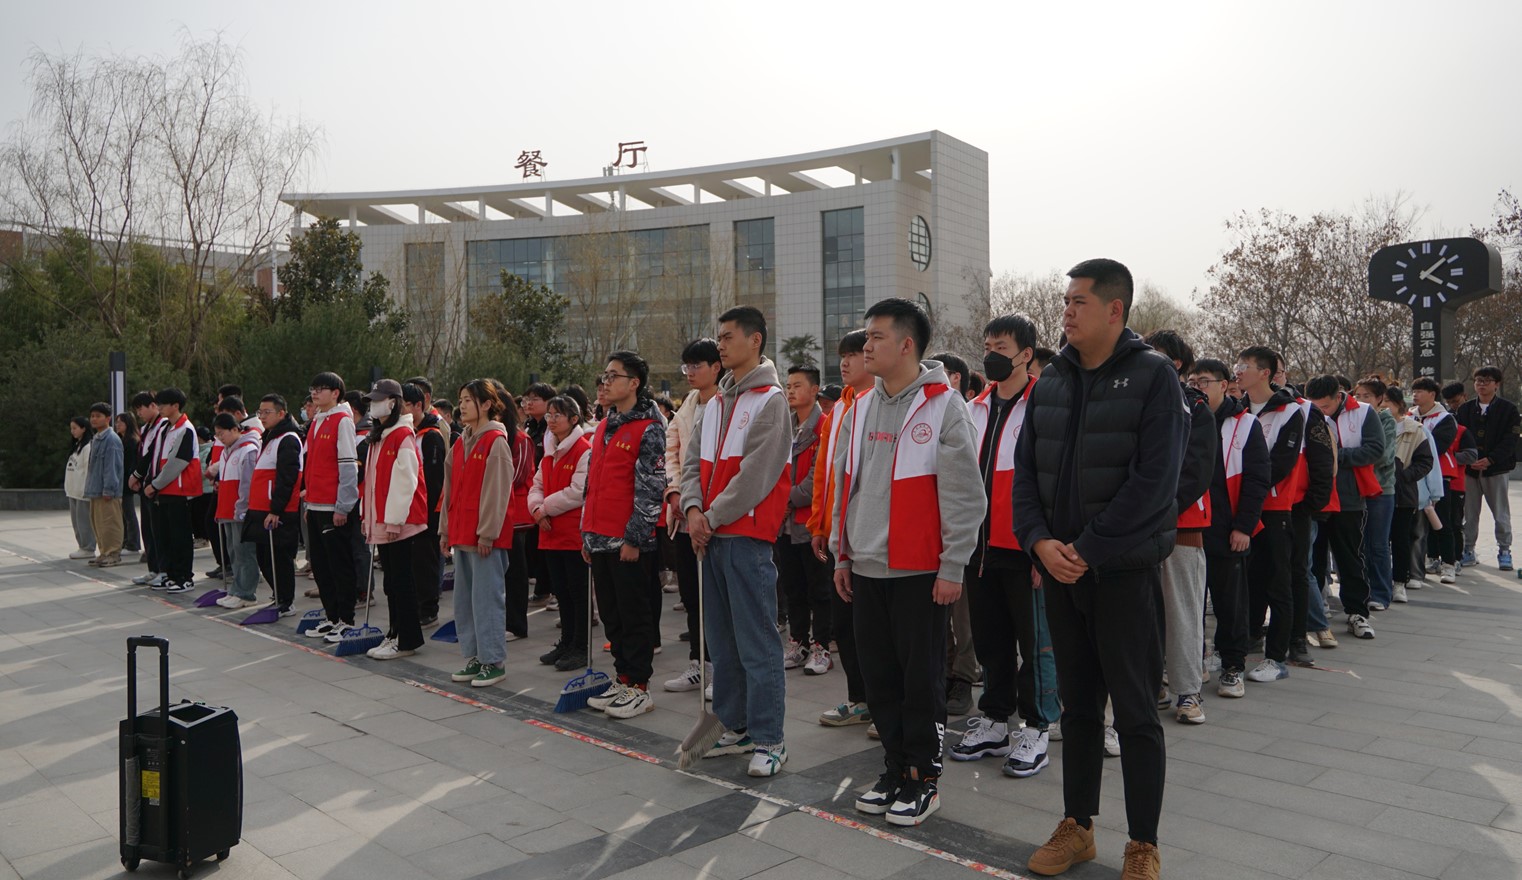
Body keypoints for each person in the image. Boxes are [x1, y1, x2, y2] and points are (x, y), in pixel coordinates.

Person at [1013, 259, 1185, 878]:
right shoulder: (1051, 380)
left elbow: (1155, 484)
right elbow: (1024, 474)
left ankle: (1143, 843)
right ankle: (1077, 826)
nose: (1066, 311)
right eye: (1065, 301)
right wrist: (1039, 543)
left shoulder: (1154, 376)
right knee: (1079, 709)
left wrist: (1086, 548)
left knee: (1135, 714)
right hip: (1060, 572)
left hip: (1121, 574)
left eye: (1078, 301)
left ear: (1115, 309)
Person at [832, 297, 983, 826]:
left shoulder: (944, 406)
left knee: (921, 683)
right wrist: (842, 553)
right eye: (866, 336)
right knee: (880, 681)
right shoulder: (858, 407)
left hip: (920, 571)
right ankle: (895, 769)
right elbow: (845, 487)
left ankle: (924, 778)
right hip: (866, 566)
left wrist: (952, 565)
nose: (866, 346)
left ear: (906, 344)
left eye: (876, 337)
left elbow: (966, 496)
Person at [681, 306, 792, 775]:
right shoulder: (716, 403)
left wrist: (709, 516)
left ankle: (770, 738)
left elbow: (756, 477)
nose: (720, 345)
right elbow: (691, 462)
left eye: (728, 337)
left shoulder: (770, 401)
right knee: (723, 643)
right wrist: (692, 509)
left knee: (757, 643)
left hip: (745, 537)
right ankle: (735, 723)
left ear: (755, 340)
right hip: (709, 536)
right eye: (719, 337)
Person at [955, 314, 1065, 772]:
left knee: (1036, 643)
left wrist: (1045, 545)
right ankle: (996, 721)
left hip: (1025, 547)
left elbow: (1054, 481)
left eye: (1000, 347)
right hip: (979, 548)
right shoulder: (975, 407)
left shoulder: (1046, 404)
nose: (991, 355)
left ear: (1026, 354)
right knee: (991, 640)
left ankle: (1037, 727)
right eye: (987, 347)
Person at [583, 352, 666, 718]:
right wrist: (587, 533)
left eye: (613, 376)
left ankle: (640, 687)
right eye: (604, 375)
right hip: (599, 536)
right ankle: (623, 677)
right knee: (612, 616)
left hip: (628, 541)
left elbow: (651, 487)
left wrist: (635, 537)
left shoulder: (649, 427)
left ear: (634, 383)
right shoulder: (604, 425)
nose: (606, 382)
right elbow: (592, 484)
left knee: (634, 616)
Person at [1145, 330, 1215, 723]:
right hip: (1137, 528)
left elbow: (1197, 472)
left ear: (1176, 363)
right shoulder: (1136, 401)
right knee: (1144, 614)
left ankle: (1188, 691)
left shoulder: (1196, 407)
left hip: (1181, 525)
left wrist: (1160, 509)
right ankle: (1153, 682)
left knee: (1183, 612)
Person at [1190, 359, 1270, 691]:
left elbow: (1257, 479)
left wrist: (1244, 527)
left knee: (1230, 604)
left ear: (1224, 385)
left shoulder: (1246, 424)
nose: (1197, 387)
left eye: (1203, 381)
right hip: (1190, 529)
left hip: (1227, 529)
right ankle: (1194, 663)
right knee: (1191, 605)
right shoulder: (1185, 418)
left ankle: (1233, 665)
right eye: (1192, 381)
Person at [810, 329, 875, 728]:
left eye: (855, 354)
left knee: (873, 629)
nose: (846, 363)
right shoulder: (837, 411)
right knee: (844, 625)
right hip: (838, 537)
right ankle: (859, 699)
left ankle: (883, 703)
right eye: (843, 355)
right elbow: (824, 473)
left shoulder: (879, 403)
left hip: (868, 537)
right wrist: (819, 524)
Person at [1236, 347, 1308, 671]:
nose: (1238, 371)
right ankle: (1242, 642)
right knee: (1245, 580)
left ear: (1265, 372)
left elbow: (1281, 463)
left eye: (1245, 365)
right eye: (1237, 365)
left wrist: (1250, 488)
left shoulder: (1290, 411)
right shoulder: (1236, 409)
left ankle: (1277, 656)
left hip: (1274, 507)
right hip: (1239, 507)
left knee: (1279, 582)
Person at [440, 379, 515, 688]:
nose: (463, 405)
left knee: (487, 599)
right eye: (461, 400)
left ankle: (493, 660)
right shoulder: (460, 443)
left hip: (485, 539)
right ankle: (475, 656)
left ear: (487, 404)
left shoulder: (495, 441)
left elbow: (498, 492)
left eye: (469, 400)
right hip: (461, 533)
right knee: (465, 601)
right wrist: (445, 530)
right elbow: (448, 490)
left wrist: (487, 533)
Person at [663, 339, 723, 694]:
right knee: (691, 595)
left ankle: (721, 668)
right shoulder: (687, 404)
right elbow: (672, 451)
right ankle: (699, 664)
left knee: (716, 599)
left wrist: (702, 505)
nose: (690, 372)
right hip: (685, 514)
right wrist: (674, 492)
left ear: (716, 367)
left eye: (697, 365)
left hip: (715, 516)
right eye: (687, 366)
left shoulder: (727, 402)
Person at [1306, 374, 1385, 640]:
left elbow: (1375, 449)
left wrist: (1334, 455)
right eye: (1315, 406)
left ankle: (1357, 613)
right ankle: (1316, 612)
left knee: (1350, 558)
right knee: (1313, 560)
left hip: (1349, 499)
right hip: (1316, 498)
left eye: (1325, 406)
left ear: (1339, 396)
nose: (1321, 412)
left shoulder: (1363, 412)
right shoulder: (1304, 412)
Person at [359, 379, 430, 660]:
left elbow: (404, 482)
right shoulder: (382, 435)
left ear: (392, 402)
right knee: (392, 582)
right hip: (385, 521)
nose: (372, 405)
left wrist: (393, 521)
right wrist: (369, 518)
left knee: (401, 582)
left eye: (378, 400)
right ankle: (395, 633)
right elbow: (372, 483)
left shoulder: (402, 435)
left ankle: (406, 639)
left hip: (399, 523)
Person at [530, 395, 592, 672]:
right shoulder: (549, 449)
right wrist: (536, 509)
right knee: (562, 591)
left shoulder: (583, 449)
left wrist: (543, 508)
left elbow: (578, 492)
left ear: (574, 419)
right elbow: (537, 484)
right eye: (549, 415)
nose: (551, 420)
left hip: (572, 533)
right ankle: (566, 642)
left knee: (578, 593)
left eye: (558, 415)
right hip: (550, 532)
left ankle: (580, 647)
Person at [777, 365, 831, 676]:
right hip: (785, 525)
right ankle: (798, 642)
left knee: (819, 589)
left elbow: (816, 480)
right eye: (788, 385)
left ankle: (821, 645)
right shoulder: (785, 426)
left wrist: (785, 499)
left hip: (811, 523)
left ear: (814, 390)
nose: (791, 390)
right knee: (792, 587)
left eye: (797, 385)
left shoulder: (824, 426)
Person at [303, 372, 362, 642]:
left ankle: (346, 620)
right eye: (313, 388)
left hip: (333, 507)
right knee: (321, 566)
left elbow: (348, 466)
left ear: (336, 393)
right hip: (316, 504)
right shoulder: (317, 420)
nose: (315, 393)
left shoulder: (342, 420)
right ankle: (332, 616)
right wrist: (309, 503)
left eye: (321, 388)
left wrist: (343, 506)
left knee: (339, 565)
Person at [1456, 366, 1519, 571]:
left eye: (1487, 381)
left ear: (1496, 384)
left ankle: (1504, 550)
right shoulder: (1465, 410)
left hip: (1496, 469)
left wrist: (1491, 459)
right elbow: (1459, 437)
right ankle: (1468, 549)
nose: (1481, 384)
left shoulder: (1508, 410)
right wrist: (1468, 459)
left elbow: (1510, 440)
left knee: (1501, 513)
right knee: (1469, 512)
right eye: (1478, 381)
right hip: (1470, 470)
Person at [247, 394, 303, 616]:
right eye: (260, 412)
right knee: (264, 558)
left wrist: (276, 510)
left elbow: (287, 478)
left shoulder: (288, 438)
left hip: (278, 512)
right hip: (261, 509)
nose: (262, 417)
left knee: (279, 559)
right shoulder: (270, 437)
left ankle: (286, 602)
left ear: (281, 413)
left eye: (267, 412)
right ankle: (279, 595)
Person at [143, 388, 202, 594]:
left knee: (180, 536)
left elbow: (177, 462)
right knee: (165, 535)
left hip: (179, 490)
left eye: (162, 404)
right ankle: (170, 575)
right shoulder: (166, 428)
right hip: (166, 490)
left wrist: (155, 484)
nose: (159, 407)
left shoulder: (186, 429)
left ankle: (184, 577)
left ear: (175, 406)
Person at [401, 383, 447, 626]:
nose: (400, 410)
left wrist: (428, 515)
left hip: (427, 512)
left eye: (405, 405)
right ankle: (417, 606)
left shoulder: (431, 436)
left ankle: (428, 610)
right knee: (413, 564)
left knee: (426, 562)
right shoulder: (408, 433)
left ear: (419, 405)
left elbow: (435, 480)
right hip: (410, 512)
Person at [1384, 387, 1435, 604]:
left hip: (1403, 494)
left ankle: (1399, 582)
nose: (1383, 405)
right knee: (1377, 542)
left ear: (1399, 405)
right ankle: (1379, 583)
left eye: (1387, 401)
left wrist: (1404, 475)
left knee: (1400, 539)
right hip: (1376, 493)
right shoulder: (1370, 426)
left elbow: (1426, 461)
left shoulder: (1414, 430)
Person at [1354, 377, 1398, 610]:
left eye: (1367, 396)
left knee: (1378, 544)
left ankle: (1381, 593)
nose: (1361, 400)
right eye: (1358, 395)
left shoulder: (1386, 421)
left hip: (1381, 489)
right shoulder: (1353, 418)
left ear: (1380, 399)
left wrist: (1355, 454)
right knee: (1359, 543)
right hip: (1356, 487)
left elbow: (1382, 456)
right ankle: (1362, 591)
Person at [1412, 377, 1462, 582]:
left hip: (1438, 476)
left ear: (1432, 394)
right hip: (1413, 477)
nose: (1415, 395)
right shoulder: (1409, 415)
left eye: (1420, 391)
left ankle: (1449, 563)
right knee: (1416, 524)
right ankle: (1430, 558)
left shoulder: (1445, 418)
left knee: (1442, 521)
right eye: (1414, 391)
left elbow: (1438, 447)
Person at [211, 413, 261, 607]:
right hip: (226, 510)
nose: (219, 438)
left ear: (234, 429)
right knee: (233, 552)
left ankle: (247, 593)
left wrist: (243, 508)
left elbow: (248, 484)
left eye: (221, 433)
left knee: (244, 552)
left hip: (240, 511)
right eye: (216, 435)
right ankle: (236, 590)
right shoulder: (226, 451)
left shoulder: (248, 450)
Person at [521, 381, 556, 605]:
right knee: (535, 544)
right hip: (532, 491)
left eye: (535, 399)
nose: (529, 403)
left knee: (548, 545)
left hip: (549, 491)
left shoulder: (552, 429)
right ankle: (543, 589)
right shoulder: (529, 427)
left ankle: (552, 590)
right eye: (527, 399)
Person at [128, 391, 166, 586]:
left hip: (156, 485)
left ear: (153, 405)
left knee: (159, 531)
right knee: (148, 530)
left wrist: (137, 475)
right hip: (145, 484)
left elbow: (152, 456)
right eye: (136, 410)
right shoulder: (145, 428)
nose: (139, 413)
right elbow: (141, 455)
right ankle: (153, 568)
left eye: (140, 408)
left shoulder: (163, 426)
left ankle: (164, 570)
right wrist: (137, 477)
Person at [84, 404, 124, 567]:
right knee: (99, 523)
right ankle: (104, 552)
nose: (94, 419)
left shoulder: (111, 439)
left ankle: (113, 553)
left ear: (108, 418)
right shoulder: (97, 438)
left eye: (98, 416)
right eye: (92, 416)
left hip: (107, 491)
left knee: (110, 523)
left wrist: (109, 489)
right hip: (96, 489)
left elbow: (112, 467)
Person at [64, 416, 96, 559]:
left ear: (83, 428)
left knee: (84, 522)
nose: (72, 431)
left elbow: (89, 470)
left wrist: (87, 489)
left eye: (75, 428)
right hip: (73, 490)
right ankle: (82, 546)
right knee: (76, 522)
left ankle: (88, 548)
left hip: (82, 491)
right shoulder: (77, 446)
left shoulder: (88, 447)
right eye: (71, 428)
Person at [116, 413, 142, 556]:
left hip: (127, 481)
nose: (117, 425)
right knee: (123, 514)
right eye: (117, 422)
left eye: (121, 422)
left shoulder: (131, 441)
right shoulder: (121, 439)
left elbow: (130, 463)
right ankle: (126, 541)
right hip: (121, 480)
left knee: (129, 513)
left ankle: (133, 544)